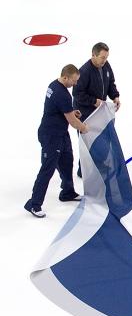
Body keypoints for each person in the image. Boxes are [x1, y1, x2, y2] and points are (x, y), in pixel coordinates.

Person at [25, 65, 89, 218]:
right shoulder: (62, 94)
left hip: (61, 133)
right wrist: (85, 128)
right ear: (65, 77)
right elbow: (73, 123)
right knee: (48, 169)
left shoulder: (54, 85)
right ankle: (34, 204)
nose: (75, 84)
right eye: (74, 81)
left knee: (67, 161)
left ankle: (67, 192)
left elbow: (63, 111)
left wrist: (72, 112)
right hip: (51, 136)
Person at [73, 42, 120, 177]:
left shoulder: (106, 66)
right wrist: (94, 101)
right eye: (102, 58)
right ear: (93, 55)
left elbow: (110, 83)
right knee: (87, 142)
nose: (105, 61)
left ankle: (96, 166)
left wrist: (115, 96)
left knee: (100, 140)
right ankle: (84, 170)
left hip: (98, 112)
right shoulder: (84, 72)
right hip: (85, 114)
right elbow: (77, 94)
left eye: (106, 57)